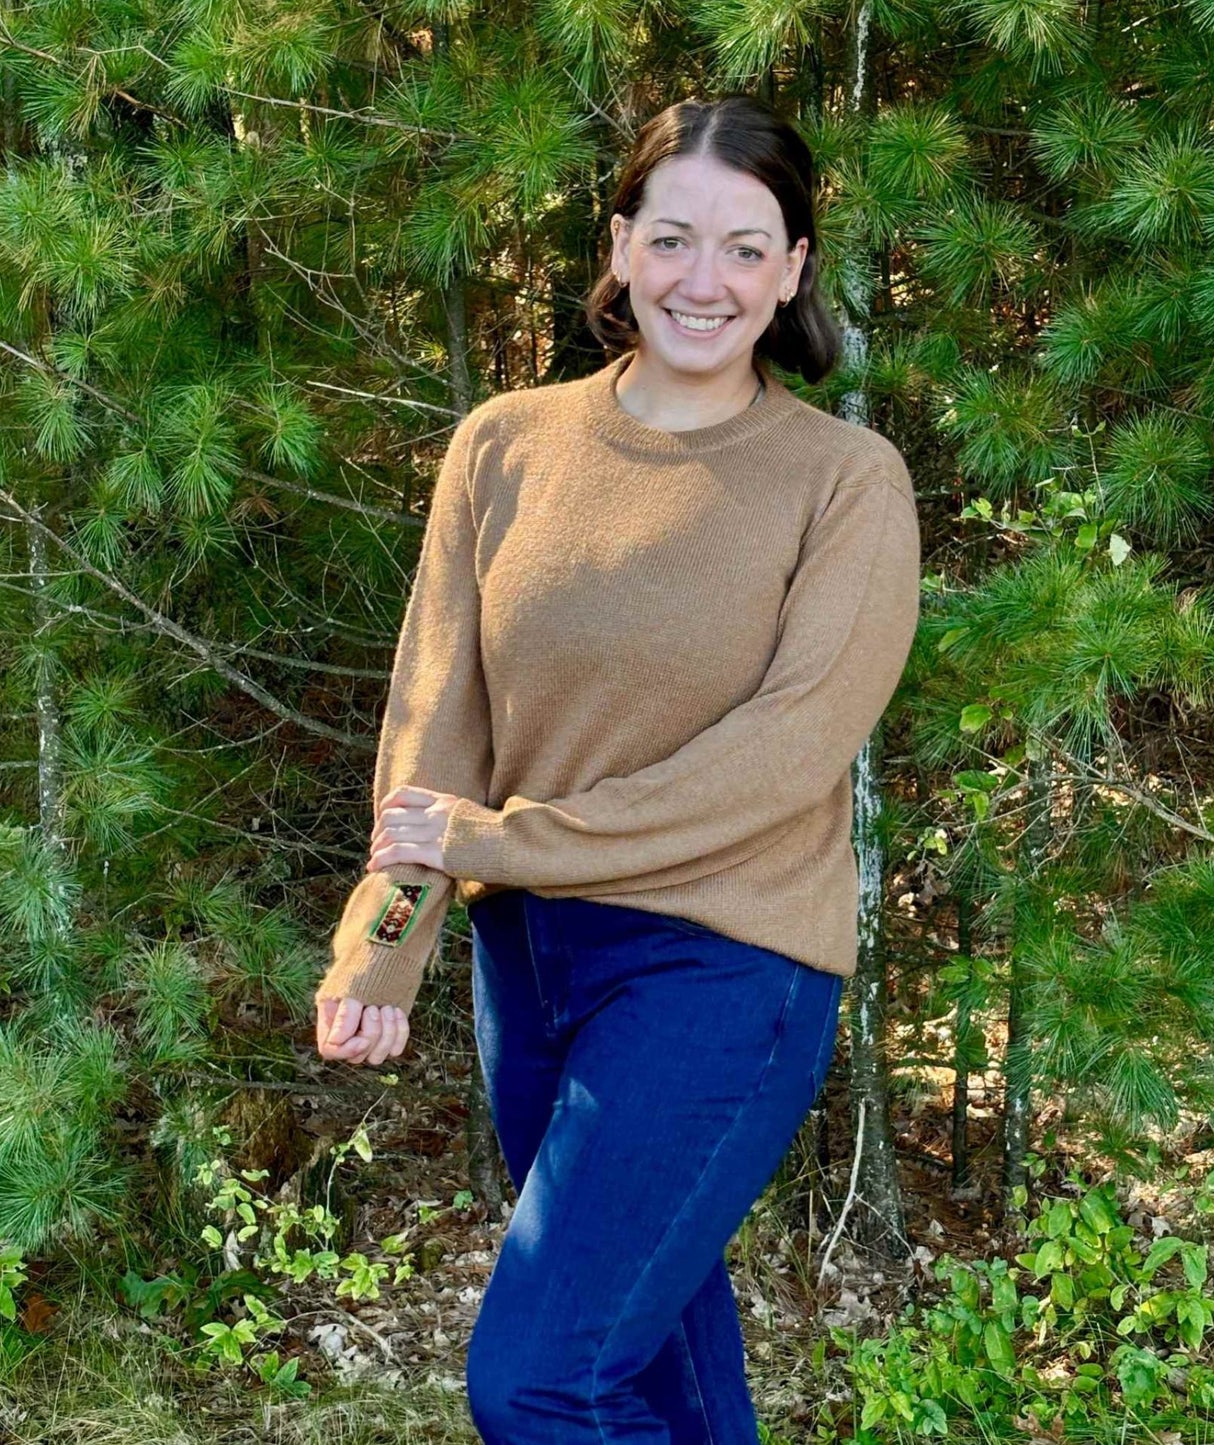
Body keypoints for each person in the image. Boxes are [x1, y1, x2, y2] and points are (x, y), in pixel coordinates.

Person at [314, 92, 921, 1443]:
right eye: (672, 239)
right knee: (652, 1372)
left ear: (793, 271)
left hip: (723, 966)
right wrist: (382, 945)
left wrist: (507, 840)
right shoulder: (504, 444)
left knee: (540, 1377)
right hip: (525, 961)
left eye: (746, 249)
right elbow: (435, 725)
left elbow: (778, 757)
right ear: (619, 242)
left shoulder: (843, 482)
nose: (702, 283)